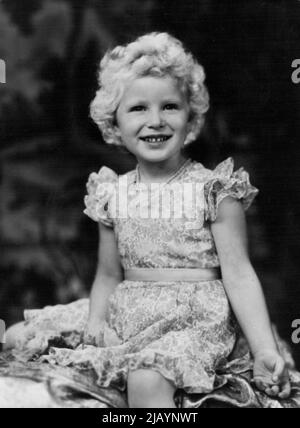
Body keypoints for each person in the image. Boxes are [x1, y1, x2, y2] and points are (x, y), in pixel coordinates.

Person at [3, 32, 300, 409]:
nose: (155, 121)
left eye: (170, 106)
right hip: (126, 311)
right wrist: (96, 322)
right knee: (18, 336)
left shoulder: (214, 191)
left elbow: (239, 274)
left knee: (146, 379)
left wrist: (263, 350)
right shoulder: (111, 192)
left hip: (193, 321)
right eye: (138, 108)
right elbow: (109, 274)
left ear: (190, 115)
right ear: (115, 120)